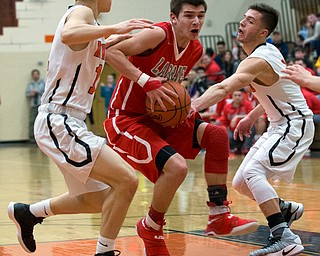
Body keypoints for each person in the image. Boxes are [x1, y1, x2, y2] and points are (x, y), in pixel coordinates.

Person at [104, 0, 258, 255]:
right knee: (176, 167)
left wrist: (183, 103)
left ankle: (218, 214)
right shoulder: (158, 34)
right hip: (126, 118)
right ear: (174, 18)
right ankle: (151, 227)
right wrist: (145, 81)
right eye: (188, 15)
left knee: (218, 135)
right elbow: (111, 52)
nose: (195, 21)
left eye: (200, 15)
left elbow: (170, 86)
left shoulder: (195, 49)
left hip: (160, 119)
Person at [7, 1, 154, 256]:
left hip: (67, 122)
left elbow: (112, 55)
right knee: (127, 181)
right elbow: (68, 34)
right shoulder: (81, 12)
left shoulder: (92, 25)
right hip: (59, 120)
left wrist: (145, 80)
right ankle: (104, 252)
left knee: (96, 199)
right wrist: (114, 28)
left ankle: (28, 213)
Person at [192, 3, 314, 256]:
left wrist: (190, 108)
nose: (241, 23)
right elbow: (279, 90)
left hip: (294, 124)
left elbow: (223, 89)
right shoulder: (267, 53)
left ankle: (285, 237)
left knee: (254, 173)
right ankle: (285, 210)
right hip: (281, 122)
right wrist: (252, 114)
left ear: (263, 32)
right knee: (241, 182)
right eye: (243, 18)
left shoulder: (258, 60)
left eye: (249, 21)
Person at [220, 90, 255, 154]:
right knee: (225, 134)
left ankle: (246, 148)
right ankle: (236, 147)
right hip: (233, 131)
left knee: (251, 127)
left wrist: (238, 117)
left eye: (239, 95)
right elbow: (224, 122)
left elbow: (252, 116)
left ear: (242, 96)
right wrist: (224, 131)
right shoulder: (227, 107)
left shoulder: (247, 104)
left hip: (245, 129)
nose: (237, 97)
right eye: (235, 95)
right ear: (232, 97)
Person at [25, 69, 45, 143]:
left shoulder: (43, 83)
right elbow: (27, 94)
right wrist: (31, 94)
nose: (35, 75)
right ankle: (32, 138)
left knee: (42, 122)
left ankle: (42, 138)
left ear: (39, 75)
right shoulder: (30, 84)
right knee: (32, 121)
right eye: (34, 74)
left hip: (41, 105)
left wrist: (38, 92)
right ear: (32, 75)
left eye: (37, 74)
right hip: (33, 105)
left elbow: (46, 93)